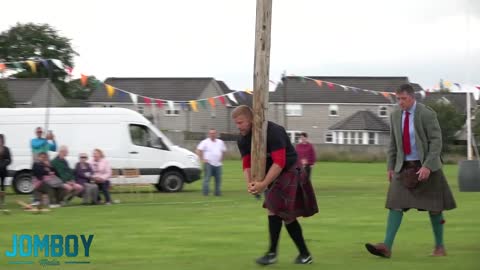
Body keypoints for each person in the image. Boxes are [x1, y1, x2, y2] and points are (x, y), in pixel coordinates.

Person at [365, 83, 457, 258]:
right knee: (395, 204)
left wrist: (428, 165)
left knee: (435, 208)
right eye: (398, 99)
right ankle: (386, 247)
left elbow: (436, 142)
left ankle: (440, 247)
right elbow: (393, 144)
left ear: (412, 97)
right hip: (403, 167)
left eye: (403, 99)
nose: (400, 102)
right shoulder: (395, 116)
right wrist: (390, 167)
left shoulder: (427, 114)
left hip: (427, 167)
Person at [232, 105, 318, 265]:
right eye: (236, 123)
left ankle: (274, 254)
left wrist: (263, 184)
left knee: (276, 210)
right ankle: (303, 255)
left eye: (241, 122)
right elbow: (246, 163)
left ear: (251, 120)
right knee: (284, 215)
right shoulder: (243, 139)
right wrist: (250, 184)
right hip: (272, 175)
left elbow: (280, 162)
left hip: (290, 170)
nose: (238, 126)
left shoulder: (273, 131)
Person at [196, 128, 226, 196]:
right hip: (208, 163)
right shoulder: (205, 142)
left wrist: (221, 158)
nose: (213, 135)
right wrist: (202, 159)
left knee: (218, 180)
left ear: (216, 134)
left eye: (214, 133)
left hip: (218, 164)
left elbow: (223, 151)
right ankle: (205, 193)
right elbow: (198, 150)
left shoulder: (220, 142)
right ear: (209, 134)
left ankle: (217, 193)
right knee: (207, 179)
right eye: (211, 133)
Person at [0, 134, 12, 205]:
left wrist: (4, 164)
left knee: (2, 186)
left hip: (3, 170)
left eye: (1, 139)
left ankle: (2, 201)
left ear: (3, 140)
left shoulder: (6, 149)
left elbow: (10, 160)